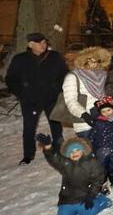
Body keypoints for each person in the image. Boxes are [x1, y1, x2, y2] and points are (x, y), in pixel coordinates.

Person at [6, 32, 68, 165]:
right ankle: (28, 155)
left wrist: (57, 88)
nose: (43, 45)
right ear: (30, 44)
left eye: (44, 42)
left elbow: (64, 74)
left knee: (56, 125)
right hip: (30, 100)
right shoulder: (20, 59)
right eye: (39, 43)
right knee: (29, 127)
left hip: (51, 97)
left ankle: (59, 150)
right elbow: (11, 79)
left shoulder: (54, 57)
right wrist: (22, 93)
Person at [36, 133, 111, 215]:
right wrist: (48, 147)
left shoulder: (91, 163)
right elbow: (54, 159)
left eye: (77, 150)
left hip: (85, 197)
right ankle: (73, 210)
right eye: (71, 152)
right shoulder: (65, 164)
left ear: (83, 151)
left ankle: (101, 201)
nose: (74, 153)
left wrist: (91, 195)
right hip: (68, 198)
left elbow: (98, 180)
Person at [62, 46, 111, 139]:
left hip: (105, 120)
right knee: (89, 152)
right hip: (85, 124)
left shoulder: (103, 75)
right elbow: (70, 101)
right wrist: (84, 115)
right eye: (90, 60)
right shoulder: (73, 77)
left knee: (106, 152)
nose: (93, 64)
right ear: (83, 61)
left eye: (96, 60)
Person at [89, 97, 113, 187]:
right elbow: (92, 135)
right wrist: (91, 146)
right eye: (103, 111)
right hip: (101, 150)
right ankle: (103, 182)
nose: (106, 113)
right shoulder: (98, 122)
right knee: (102, 168)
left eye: (108, 110)